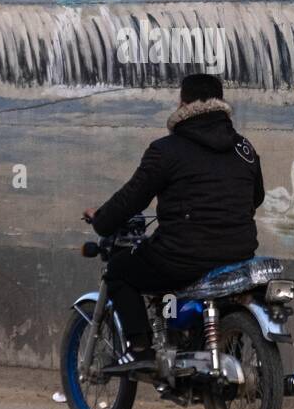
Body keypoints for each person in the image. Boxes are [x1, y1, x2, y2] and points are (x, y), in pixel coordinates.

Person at [84, 74, 265, 370]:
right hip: (238, 256)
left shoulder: (166, 150)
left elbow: (132, 199)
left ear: (182, 103)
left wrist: (101, 220)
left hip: (183, 257)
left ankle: (140, 348)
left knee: (118, 270)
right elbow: (254, 198)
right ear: (221, 106)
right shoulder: (244, 149)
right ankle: (219, 347)